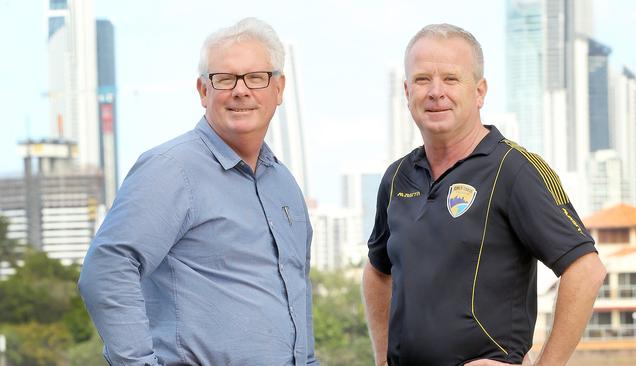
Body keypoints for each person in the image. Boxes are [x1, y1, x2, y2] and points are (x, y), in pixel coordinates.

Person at [78, 18, 319, 366]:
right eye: (224, 79)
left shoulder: (284, 185)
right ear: (203, 91)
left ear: (278, 89)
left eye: (256, 77)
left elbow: (297, 292)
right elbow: (107, 269)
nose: (241, 90)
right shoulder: (170, 169)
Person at [362, 23, 606, 366]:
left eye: (450, 78)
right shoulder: (397, 177)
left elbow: (586, 269)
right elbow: (376, 271)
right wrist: (382, 357)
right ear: (406, 91)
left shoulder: (515, 169)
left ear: (479, 91)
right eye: (422, 80)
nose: (435, 92)